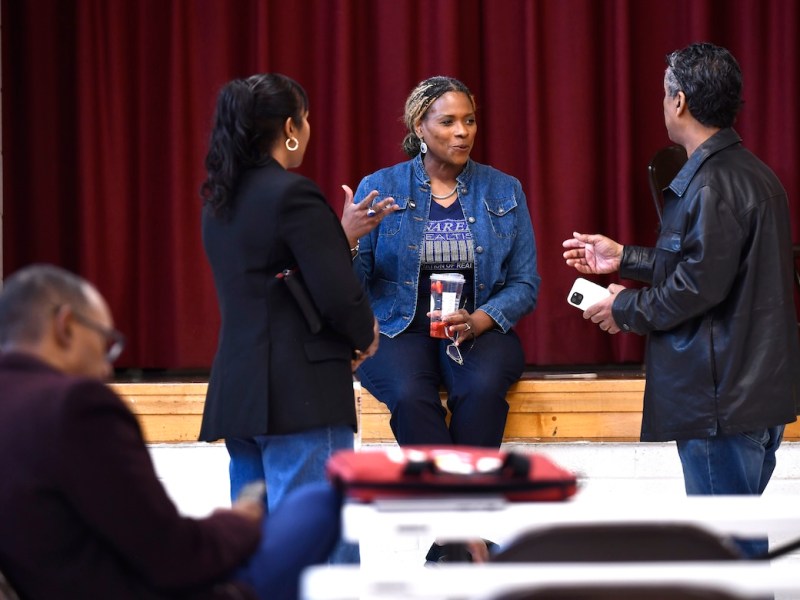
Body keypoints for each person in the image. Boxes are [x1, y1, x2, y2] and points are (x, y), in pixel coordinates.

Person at [562, 42, 800, 557]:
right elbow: (707, 266)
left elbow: (697, 287)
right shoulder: (751, 174)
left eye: (665, 93)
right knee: (741, 551)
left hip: (720, 401)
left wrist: (620, 308)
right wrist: (623, 257)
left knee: (728, 559)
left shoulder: (711, 183)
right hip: (750, 396)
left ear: (680, 102)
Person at [0, 264, 343, 600]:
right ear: (67, 327)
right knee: (320, 503)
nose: (106, 368)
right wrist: (238, 523)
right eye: (106, 343)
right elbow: (172, 556)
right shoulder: (76, 406)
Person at [198, 73, 379, 564]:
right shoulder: (293, 194)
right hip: (302, 391)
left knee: (261, 555)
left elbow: (276, 280)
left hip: (240, 390)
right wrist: (366, 335)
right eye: (306, 117)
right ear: (290, 127)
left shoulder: (219, 202)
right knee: (320, 558)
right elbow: (338, 293)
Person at [344, 76, 540, 450]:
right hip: (396, 328)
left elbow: (524, 283)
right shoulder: (381, 186)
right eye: (447, 122)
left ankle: (460, 493)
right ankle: (449, 494)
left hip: (475, 326)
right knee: (408, 395)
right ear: (420, 126)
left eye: (469, 121)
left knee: (481, 390)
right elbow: (356, 286)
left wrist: (480, 321)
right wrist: (349, 239)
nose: (462, 132)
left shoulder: (504, 189)